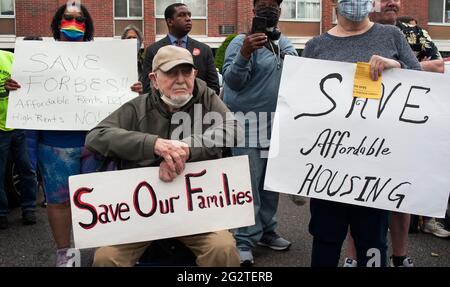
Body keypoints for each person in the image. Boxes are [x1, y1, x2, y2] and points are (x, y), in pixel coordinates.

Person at [85, 45, 242, 267]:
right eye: (171, 72)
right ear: (154, 79)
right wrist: (154, 145)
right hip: (142, 212)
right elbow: (96, 137)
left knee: (223, 249)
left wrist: (184, 148)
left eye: (186, 72)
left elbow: (235, 129)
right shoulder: (137, 107)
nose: (180, 80)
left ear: (194, 74)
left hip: (196, 209)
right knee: (106, 258)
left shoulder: (207, 98)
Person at [302, 0, 421, 267]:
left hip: (376, 168)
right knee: (326, 237)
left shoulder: (392, 35)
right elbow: (302, 103)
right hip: (328, 167)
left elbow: (421, 80)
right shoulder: (315, 46)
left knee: (373, 240)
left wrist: (396, 66)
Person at [343, 0, 449, 268]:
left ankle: (399, 257)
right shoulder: (350, 30)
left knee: (400, 196)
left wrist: (395, 67)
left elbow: (437, 67)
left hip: (400, 128)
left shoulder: (411, 32)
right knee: (353, 194)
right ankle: (354, 258)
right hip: (356, 128)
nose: (392, 1)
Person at [5, 1, 100, 267]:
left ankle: (99, 253)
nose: (74, 23)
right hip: (54, 147)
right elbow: (29, 108)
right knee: (58, 203)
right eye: (68, 18)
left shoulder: (103, 57)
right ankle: (64, 254)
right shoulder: (39, 58)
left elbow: (118, 101)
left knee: (97, 201)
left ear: (88, 25)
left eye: (80, 19)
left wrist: (130, 89)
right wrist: (19, 89)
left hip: (95, 146)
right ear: (57, 23)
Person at [222, 0, 298, 266]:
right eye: (263, 5)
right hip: (246, 128)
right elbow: (232, 82)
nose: (270, 10)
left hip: (274, 127)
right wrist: (244, 53)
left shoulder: (282, 42)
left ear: (280, 12)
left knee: (269, 186)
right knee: (248, 187)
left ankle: (267, 231)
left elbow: (297, 71)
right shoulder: (239, 42)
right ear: (253, 12)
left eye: (274, 6)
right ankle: (243, 241)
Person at [141, 3, 220, 95]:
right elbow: (147, 88)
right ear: (170, 22)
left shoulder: (204, 50)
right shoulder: (154, 50)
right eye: (181, 15)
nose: (188, 19)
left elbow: (214, 86)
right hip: (164, 108)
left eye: (189, 15)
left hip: (197, 107)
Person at [0, 50, 37, 229]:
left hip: (17, 124)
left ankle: (29, 209)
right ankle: (2, 213)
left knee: (26, 169)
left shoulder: (10, 57)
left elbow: (30, 80)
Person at [121, 25, 145, 89]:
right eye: (129, 38)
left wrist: (143, 89)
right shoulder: (118, 62)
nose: (132, 40)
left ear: (140, 42)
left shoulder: (146, 62)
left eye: (134, 38)